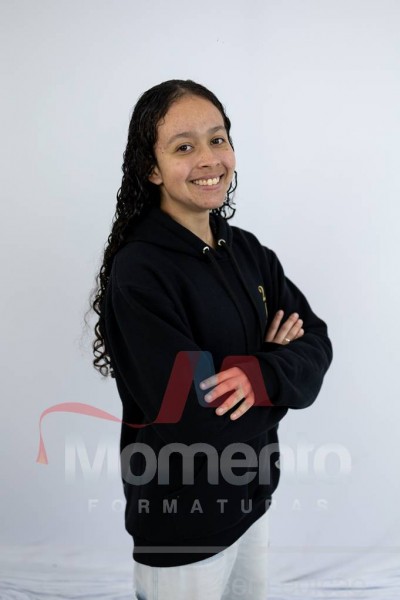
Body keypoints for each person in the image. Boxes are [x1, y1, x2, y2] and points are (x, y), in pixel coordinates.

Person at [90, 79, 333, 600]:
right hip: (181, 522)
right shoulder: (141, 273)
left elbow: (315, 341)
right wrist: (280, 372)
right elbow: (194, 418)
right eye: (184, 147)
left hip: (253, 502)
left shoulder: (248, 252)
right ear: (151, 168)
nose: (208, 158)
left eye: (217, 139)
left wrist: (260, 374)